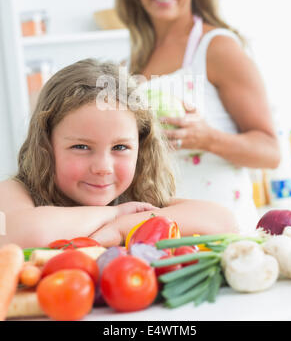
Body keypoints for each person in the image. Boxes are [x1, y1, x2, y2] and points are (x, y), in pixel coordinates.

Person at [115, 0, 281, 232]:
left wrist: (207, 138)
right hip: (162, 238)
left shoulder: (216, 48)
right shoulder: (129, 66)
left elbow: (271, 152)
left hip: (223, 237)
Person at [0, 59, 237, 249]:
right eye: (81, 147)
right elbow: (17, 232)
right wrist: (111, 213)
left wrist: (120, 227)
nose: (103, 167)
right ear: (46, 145)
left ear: (141, 148)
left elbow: (223, 222)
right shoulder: (14, 192)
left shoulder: (135, 199)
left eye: (120, 148)